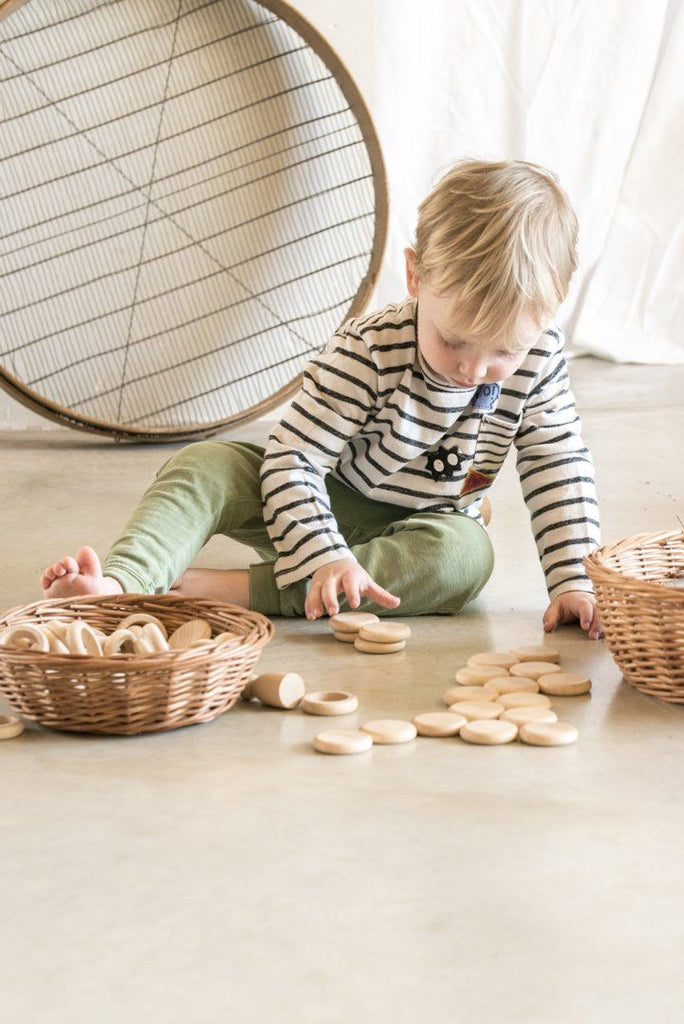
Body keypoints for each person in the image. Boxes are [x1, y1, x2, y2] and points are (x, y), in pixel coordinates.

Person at [41, 159, 602, 639]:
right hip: (316, 493)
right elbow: (293, 461)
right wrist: (324, 553)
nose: (474, 370)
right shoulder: (369, 349)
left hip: (424, 523)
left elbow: (558, 465)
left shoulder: (540, 357)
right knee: (205, 465)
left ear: (550, 315)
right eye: (452, 340)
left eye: (502, 352)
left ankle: (238, 590)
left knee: (466, 559)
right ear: (414, 276)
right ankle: (121, 585)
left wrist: (576, 579)